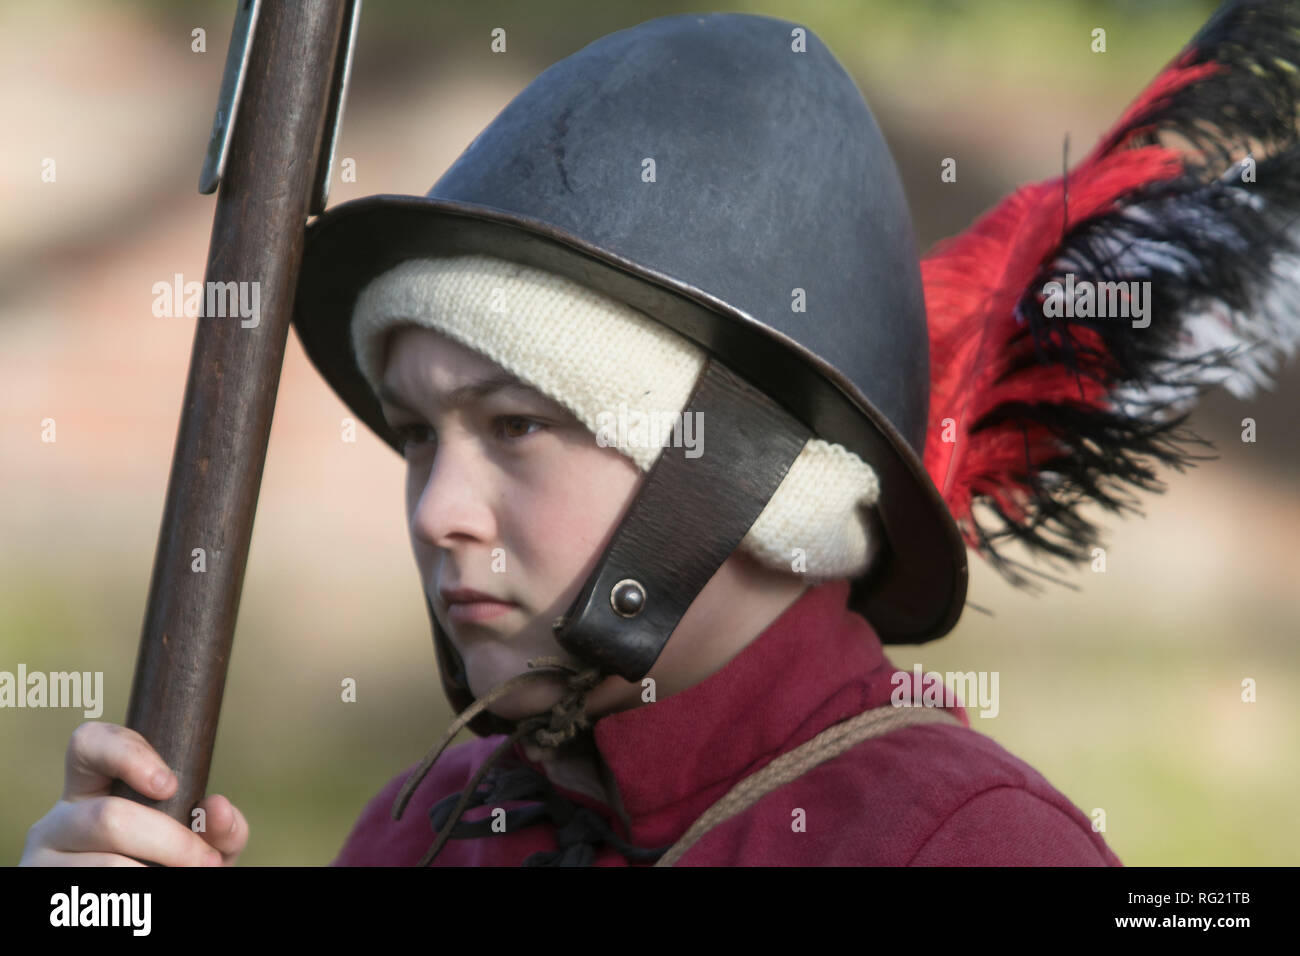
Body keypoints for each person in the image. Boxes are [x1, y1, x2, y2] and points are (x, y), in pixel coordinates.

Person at [22, 0, 1300, 866]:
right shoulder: (427, 829)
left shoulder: (964, 846)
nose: (436, 510)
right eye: (417, 433)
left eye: (517, 423)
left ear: (754, 476)